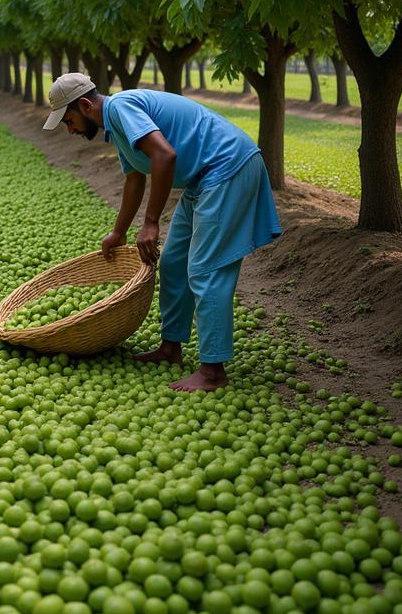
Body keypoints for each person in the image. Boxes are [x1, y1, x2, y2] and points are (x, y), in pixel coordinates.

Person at [43, 73, 281, 391]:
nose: (70, 129)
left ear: (85, 105)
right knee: (173, 263)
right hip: (202, 180)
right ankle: (170, 349)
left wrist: (151, 222)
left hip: (227, 168)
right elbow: (134, 180)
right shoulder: (116, 129)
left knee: (204, 269)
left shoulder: (121, 108)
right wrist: (119, 232)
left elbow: (165, 155)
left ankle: (212, 372)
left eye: (68, 120)